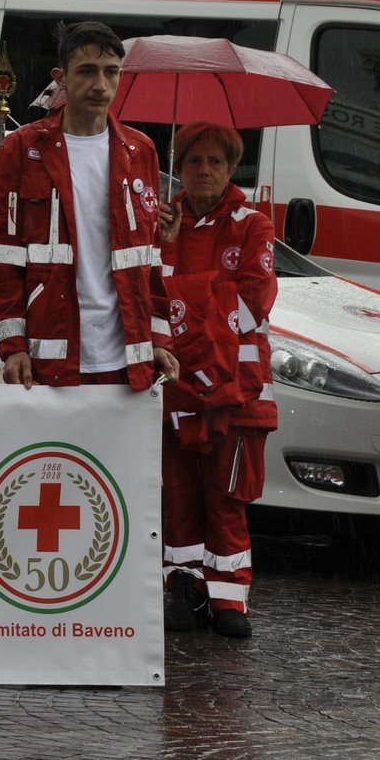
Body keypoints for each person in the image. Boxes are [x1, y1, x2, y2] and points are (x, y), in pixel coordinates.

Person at [0, 21, 177, 391]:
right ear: (61, 77)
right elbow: (1, 259)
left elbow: (149, 262)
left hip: (127, 361)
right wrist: (12, 347)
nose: (100, 85)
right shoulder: (21, 150)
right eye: (87, 71)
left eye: (111, 72)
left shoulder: (141, 151)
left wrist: (160, 340)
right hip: (50, 361)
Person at [157, 123, 278, 638]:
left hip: (237, 390)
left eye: (214, 162)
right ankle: (183, 592)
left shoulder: (254, 225)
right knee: (177, 495)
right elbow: (146, 298)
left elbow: (253, 301)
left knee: (227, 497)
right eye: (192, 161)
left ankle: (230, 601)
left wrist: (185, 302)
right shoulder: (160, 224)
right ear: (179, 168)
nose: (203, 170)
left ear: (232, 170)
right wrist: (162, 246)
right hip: (175, 385)